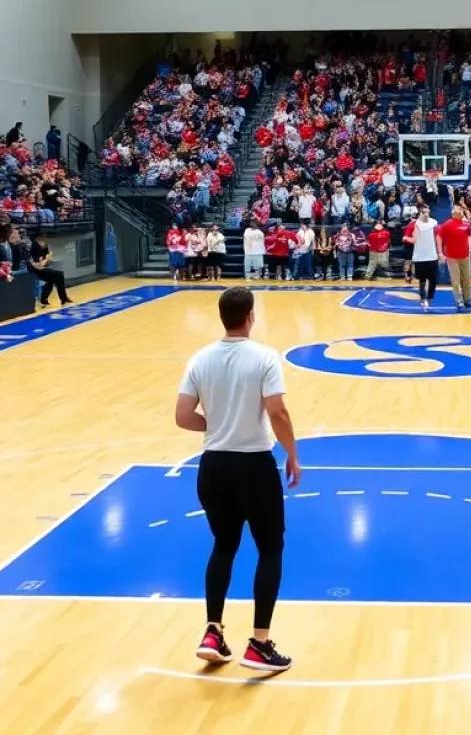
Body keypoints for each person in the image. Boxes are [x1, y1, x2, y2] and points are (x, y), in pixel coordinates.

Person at [176, 287, 299, 673]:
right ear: (249, 317)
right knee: (270, 549)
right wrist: (293, 454)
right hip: (254, 467)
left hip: (213, 467)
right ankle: (259, 643)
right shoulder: (264, 356)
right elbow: (277, 412)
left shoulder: (200, 358)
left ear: (223, 317)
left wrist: (219, 424)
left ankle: (213, 632)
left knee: (224, 545)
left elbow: (183, 416)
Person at [436, 204, 471, 310]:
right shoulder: (447, 224)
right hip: (452, 257)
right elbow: (439, 237)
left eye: (460, 210)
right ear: (454, 213)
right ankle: (459, 301)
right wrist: (440, 253)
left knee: (467, 279)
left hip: (465, 256)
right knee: (455, 280)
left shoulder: (466, 225)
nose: (460, 211)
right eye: (458, 209)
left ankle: (467, 299)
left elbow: (470, 236)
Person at [29, 235, 72, 306]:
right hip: (37, 270)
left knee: (54, 279)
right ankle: (62, 298)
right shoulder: (35, 248)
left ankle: (46, 299)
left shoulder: (44, 246)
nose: (45, 243)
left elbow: (47, 258)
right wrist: (47, 259)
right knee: (59, 275)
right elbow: (39, 264)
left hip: (44, 267)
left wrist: (48, 258)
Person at [410, 205, 439, 309]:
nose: (426, 214)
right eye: (424, 212)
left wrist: (439, 252)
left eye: (427, 212)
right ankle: (423, 299)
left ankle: (430, 298)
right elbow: (413, 238)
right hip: (420, 257)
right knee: (422, 280)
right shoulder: (415, 224)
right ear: (420, 213)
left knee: (433, 279)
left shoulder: (434, 223)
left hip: (432, 256)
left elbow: (437, 237)